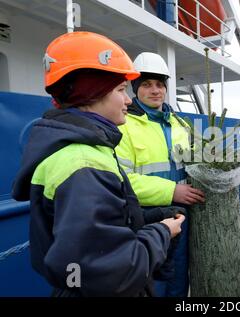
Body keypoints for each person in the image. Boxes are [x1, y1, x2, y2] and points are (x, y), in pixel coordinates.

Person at [12, 31, 185, 297]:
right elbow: (115, 271)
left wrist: (150, 217)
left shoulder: (80, 151)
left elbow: (96, 235)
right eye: (120, 90)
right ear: (91, 94)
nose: (128, 100)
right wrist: (161, 231)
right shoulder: (83, 164)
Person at [115, 52, 205, 297]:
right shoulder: (123, 125)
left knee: (178, 279)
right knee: (152, 282)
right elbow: (122, 180)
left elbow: (194, 164)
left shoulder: (179, 124)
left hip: (182, 217)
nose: (154, 91)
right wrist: (172, 191)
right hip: (147, 220)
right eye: (146, 84)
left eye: (159, 84)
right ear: (135, 89)